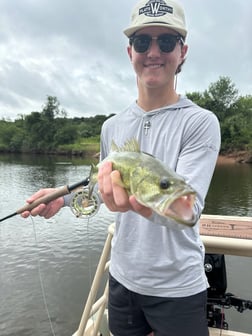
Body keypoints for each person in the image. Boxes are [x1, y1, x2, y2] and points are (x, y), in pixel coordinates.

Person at [22, 0, 221, 335]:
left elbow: (190, 211)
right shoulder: (111, 127)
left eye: (166, 41)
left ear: (182, 51)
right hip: (123, 283)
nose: (153, 51)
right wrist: (62, 199)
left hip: (178, 289)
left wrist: (138, 204)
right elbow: (101, 189)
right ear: (130, 52)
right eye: (143, 42)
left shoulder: (201, 123)